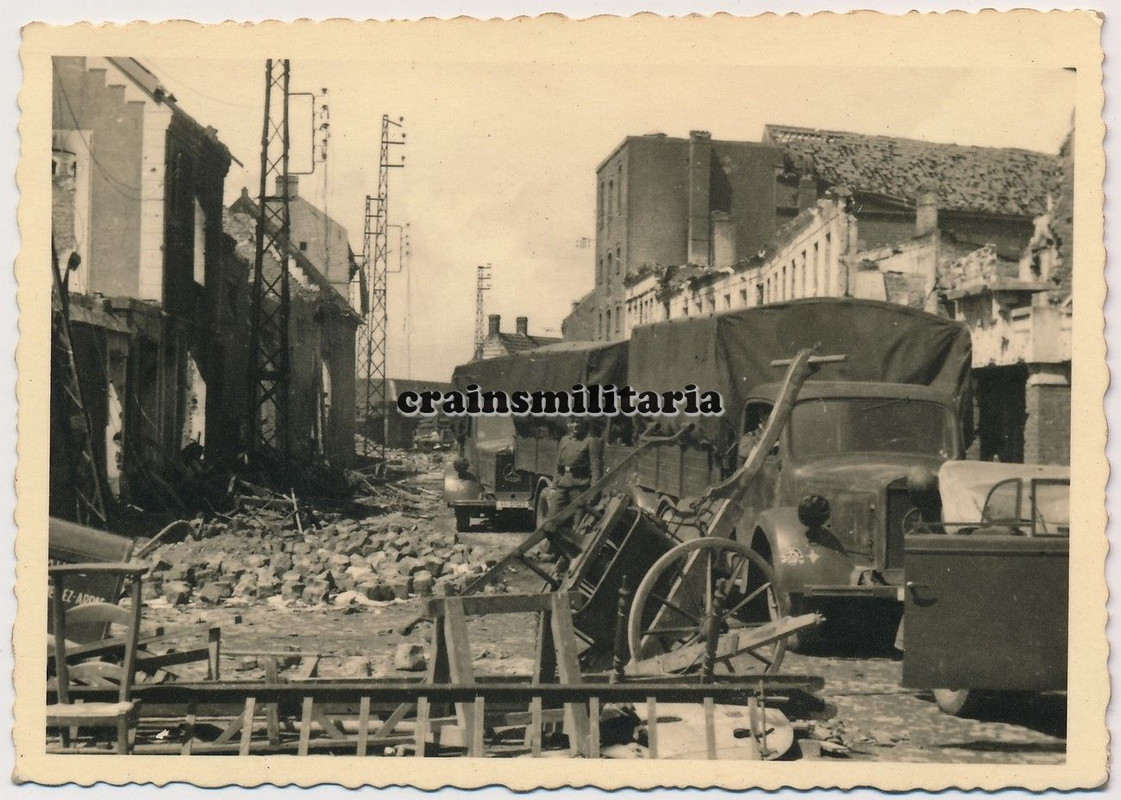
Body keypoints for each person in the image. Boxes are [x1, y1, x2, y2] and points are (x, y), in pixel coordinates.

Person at [544, 417, 603, 519]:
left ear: (584, 424)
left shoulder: (591, 441)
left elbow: (596, 469)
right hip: (562, 487)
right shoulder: (564, 440)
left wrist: (593, 493)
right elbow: (558, 466)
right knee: (550, 521)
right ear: (568, 424)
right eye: (572, 422)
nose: (576, 425)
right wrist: (553, 487)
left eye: (578, 421)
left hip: (580, 488)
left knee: (577, 524)